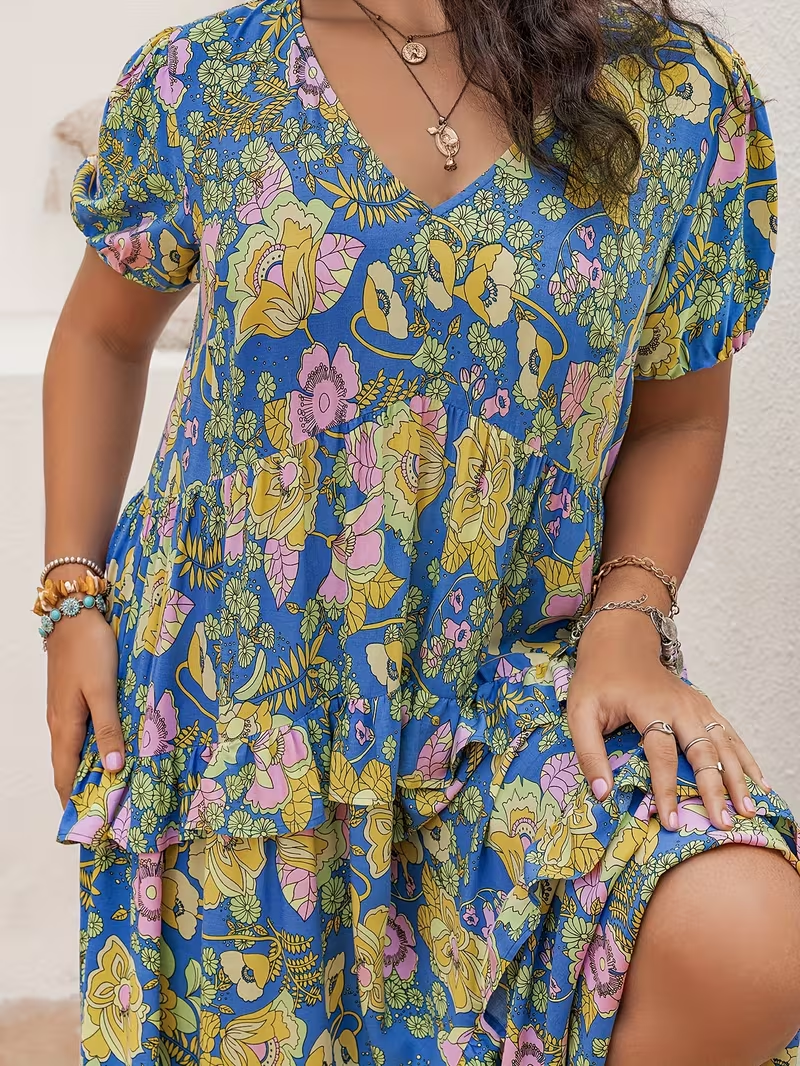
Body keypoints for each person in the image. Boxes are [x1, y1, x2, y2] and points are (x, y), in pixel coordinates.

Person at [39, 0, 800, 1063]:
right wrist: (72, 595)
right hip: (239, 697)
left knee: (748, 934)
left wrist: (628, 617)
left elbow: (680, 412)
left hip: (508, 674)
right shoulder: (204, 79)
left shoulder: (673, 96)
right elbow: (101, 337)